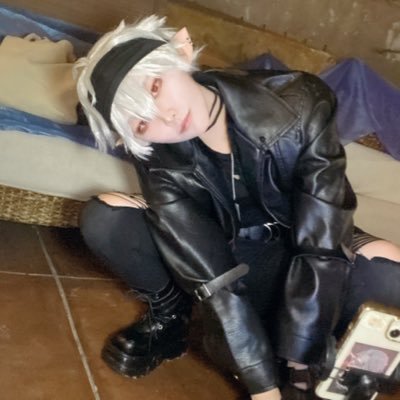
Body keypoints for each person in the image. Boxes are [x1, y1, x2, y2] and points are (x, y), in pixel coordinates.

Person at [74, 16, 400, 400]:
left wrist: (298, 368)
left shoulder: (300, 102)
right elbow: (215, 278)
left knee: (391, 271)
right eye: (142, 125)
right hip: (230, 252)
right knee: (106, 217)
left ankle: (319, 348)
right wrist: (263, 388)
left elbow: (322, 241)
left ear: (181, 48)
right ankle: (172, 319)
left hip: (303, 241)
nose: (167, 117)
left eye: (156, 86)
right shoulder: (158, 156)